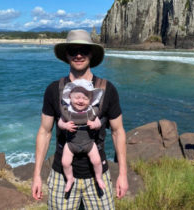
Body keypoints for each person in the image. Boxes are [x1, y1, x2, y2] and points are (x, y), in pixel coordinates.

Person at [32, 29, 128, 209]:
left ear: (91, 53)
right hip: (62, 175)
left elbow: (118, 131)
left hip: (97, 176)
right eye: (72, 51)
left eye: (83, 50)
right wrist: (36, 175)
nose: (78, 55)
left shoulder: (107, 89)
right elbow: (44, 132)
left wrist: (123, 174)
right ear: (66, 55)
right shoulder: (54, 90)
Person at [58, 79, 105, 192]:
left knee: (97, 161)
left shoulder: (92, 112)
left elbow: (99, 123)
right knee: (65, 162)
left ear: (91, 100)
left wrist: (95, 125)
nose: (81, 101)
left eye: (85, 98)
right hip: (71, 144)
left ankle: (98, 178)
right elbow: (59, 123)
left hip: (89, 143)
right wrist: (65, 126)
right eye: (77, 97)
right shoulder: (67, 111)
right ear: (70, 97)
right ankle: (70, 178)